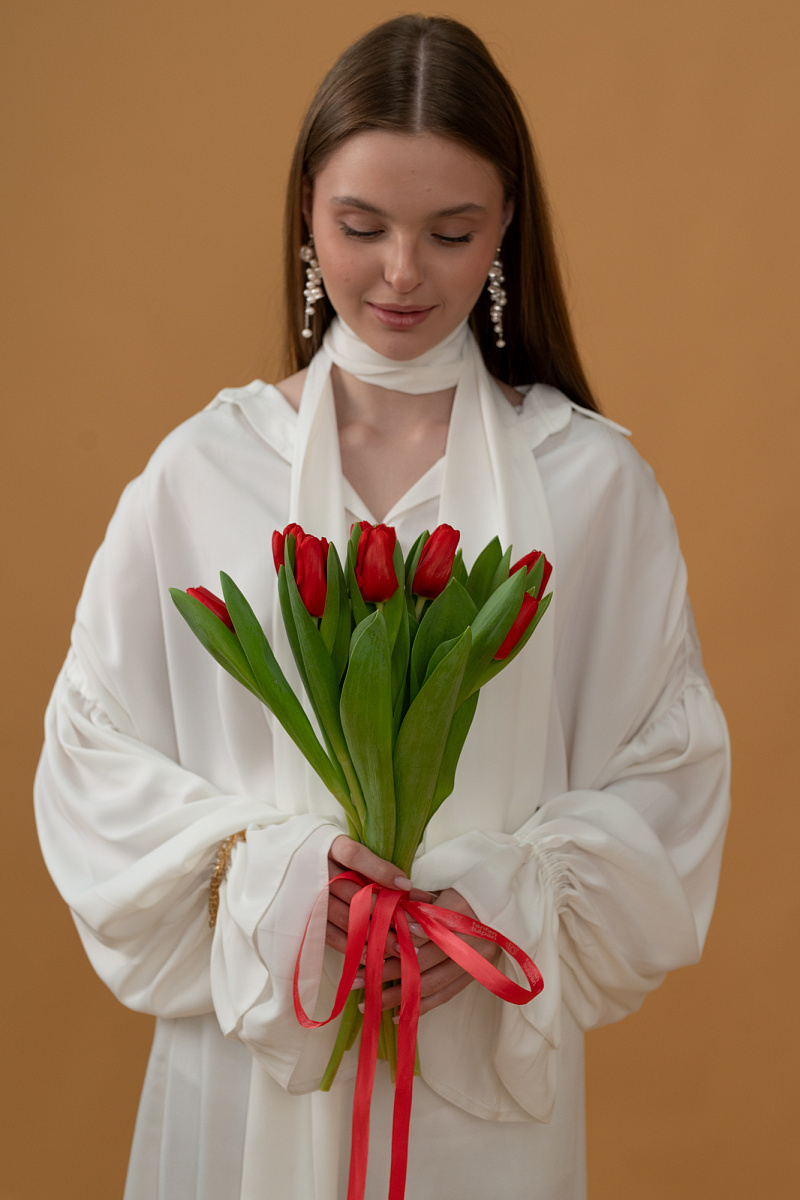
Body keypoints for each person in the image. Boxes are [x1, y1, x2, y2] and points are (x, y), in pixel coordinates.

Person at [34, 14, 730, 1200]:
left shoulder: (590, 485)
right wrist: (272, 878)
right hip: (253, 1051)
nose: (402, 272)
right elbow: (90, 758)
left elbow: (667, 775)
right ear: (306, 214)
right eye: (361, 227)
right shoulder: (204, 473)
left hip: (476, 1054)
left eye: (449, 232)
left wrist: (499, 902)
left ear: (505, 227)